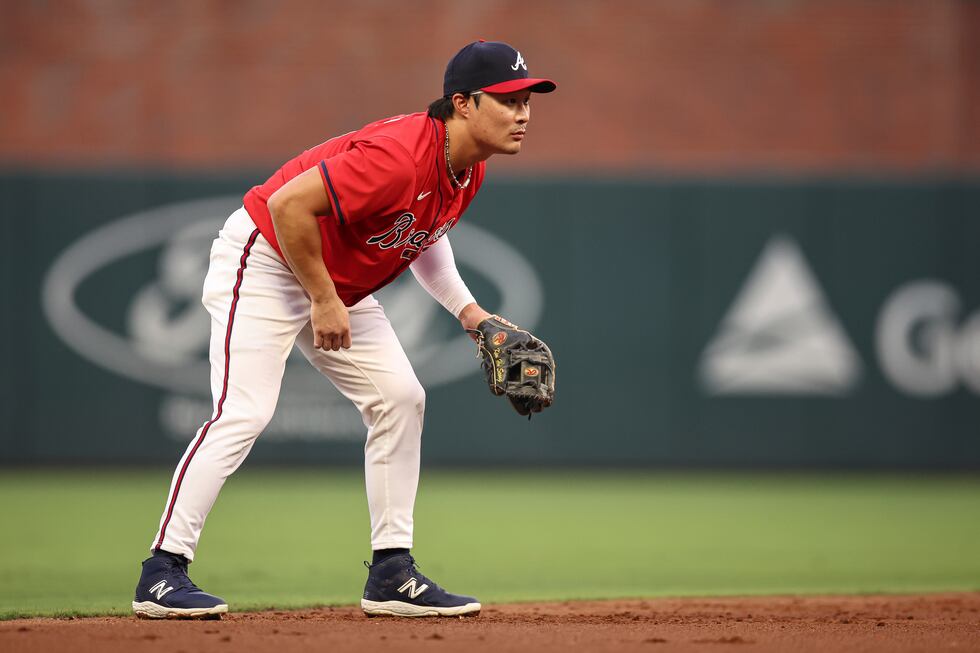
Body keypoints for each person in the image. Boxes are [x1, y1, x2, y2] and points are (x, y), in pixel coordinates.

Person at [132, 40, 556, 619]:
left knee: (401, 400)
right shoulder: (399, 156)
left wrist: (472, 316)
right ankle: (161, 571)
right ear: (463, 104)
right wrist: (324, 297)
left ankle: (391, 573)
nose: (524, 112)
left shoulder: (466, 168)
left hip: (329, 278)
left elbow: (424, 234)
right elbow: (287, 206)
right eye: (508, 100)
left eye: (527, 99)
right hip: (266, 257)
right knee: (244, 411)